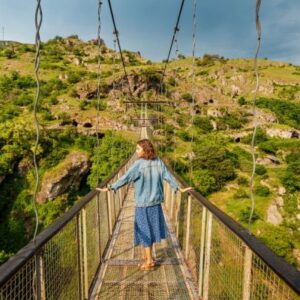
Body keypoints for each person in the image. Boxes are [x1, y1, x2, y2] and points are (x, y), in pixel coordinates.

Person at [96, 139, 193, 270]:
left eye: (138, 149)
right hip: (156, 203)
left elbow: (126, 178)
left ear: (144, 150)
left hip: (142, 205)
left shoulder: (138, 164)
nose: (136, 151)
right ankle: (147, 257)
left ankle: (149, 262)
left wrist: (111, 187)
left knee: (144, 232)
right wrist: (178, 188)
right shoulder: (158, 162)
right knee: (150, 231)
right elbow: (169, 176)